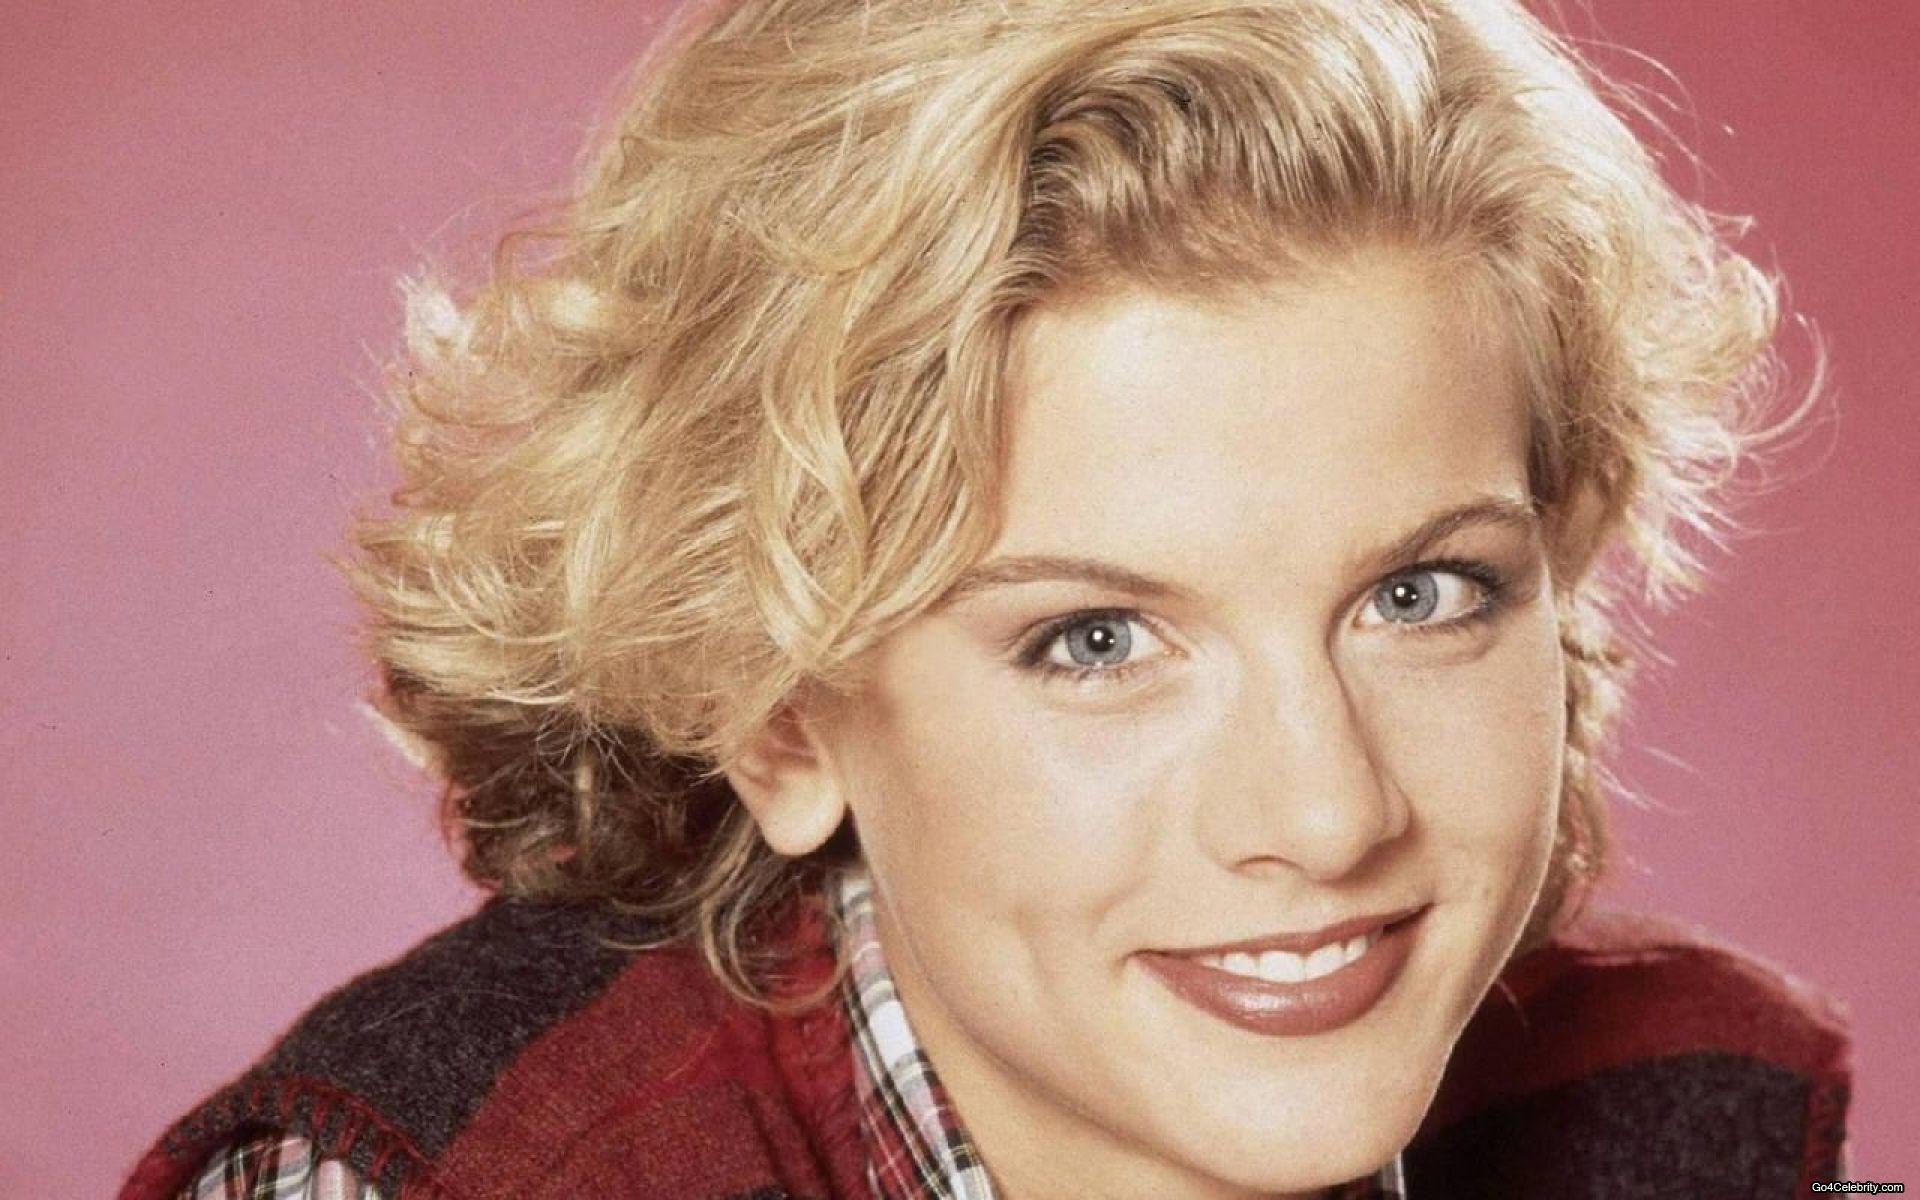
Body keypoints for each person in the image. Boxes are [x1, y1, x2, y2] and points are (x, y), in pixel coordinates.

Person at [119, 0, 1850, 1197]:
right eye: (1093, 641)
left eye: (1423, 593)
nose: (1324, 815)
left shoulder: (1697, 1126)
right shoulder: (436, 1179)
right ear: (776, 711)